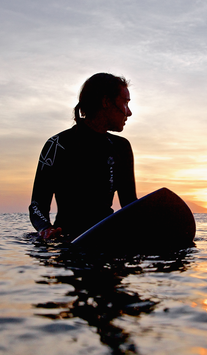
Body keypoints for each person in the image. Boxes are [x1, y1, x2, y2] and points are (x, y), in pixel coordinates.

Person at [29, 73, 138, 240]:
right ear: (106, 102)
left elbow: (130, 204)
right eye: (125, 102)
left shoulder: (121, 147)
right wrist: (45, 229)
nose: (129, 112)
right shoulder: (58, 145)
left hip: (108, 239)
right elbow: (38, 205)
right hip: (68, 243)